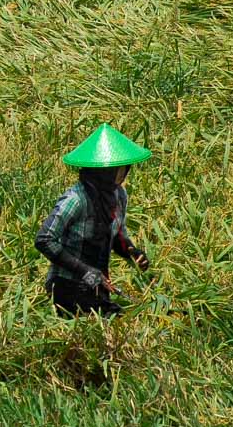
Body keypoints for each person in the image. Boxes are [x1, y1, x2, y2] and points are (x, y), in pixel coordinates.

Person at [35, 124, 152, 318]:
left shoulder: (118, 195)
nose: (123, 174)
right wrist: (84, 271)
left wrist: (133, 252)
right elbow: (44, 239)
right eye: (118, 169)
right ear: (103, 172)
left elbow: (117, 235)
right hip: (67, 286)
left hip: (98, 285)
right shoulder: (75, 199)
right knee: (115, 320)